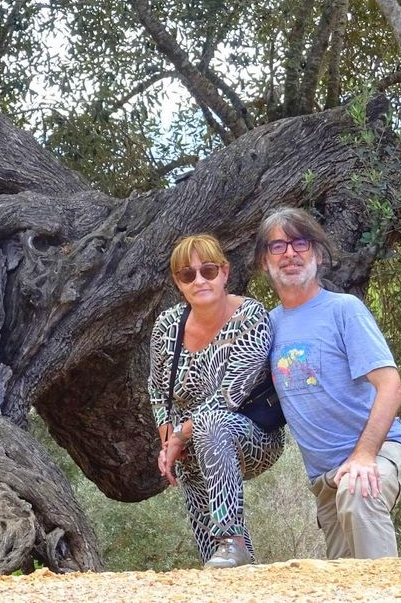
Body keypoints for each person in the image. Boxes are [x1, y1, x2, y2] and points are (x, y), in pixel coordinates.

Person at [255, 207, 401, 559]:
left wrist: (364, 455)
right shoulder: (265, 328)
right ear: (263, 262)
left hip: (383, 451)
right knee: (343, 581)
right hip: (326, 480)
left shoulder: (344, 310)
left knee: (358, 491)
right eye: (278, 246)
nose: (290, 254)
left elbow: (392, 388)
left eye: (300, 243)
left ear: (316, 254)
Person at [147, 234, 284, 569]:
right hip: (192, 444)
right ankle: (234, 560)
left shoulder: (249, 317)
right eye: (187, 274)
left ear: (224, 272)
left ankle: (230, 539)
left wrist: (178, 437)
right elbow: (157, 390)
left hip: (250, 437)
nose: (199, 280)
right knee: (217, 564)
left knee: (209, 423)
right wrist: (168, 441)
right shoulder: (167, 325)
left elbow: (229, 395)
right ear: (178, 282)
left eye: (207, 270)